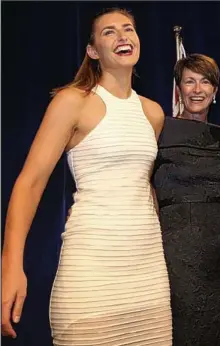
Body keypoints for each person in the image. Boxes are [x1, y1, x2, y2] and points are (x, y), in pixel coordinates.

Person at [1, 8, 172, 345]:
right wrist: (10, 264)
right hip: (92, 268)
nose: (123, 36)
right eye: (109, 32)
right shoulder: (72, 102)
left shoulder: (153, 112)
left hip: (147, 272)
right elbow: (30, 183)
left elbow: (143, 186)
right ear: (93, 51)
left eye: (129, 29)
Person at [151, 54, 220, 345]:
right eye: (189, 81)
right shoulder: (160, 130)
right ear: (179, 89)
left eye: (205, 82)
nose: (197, 89)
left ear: (215, 91)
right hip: (174, 245)